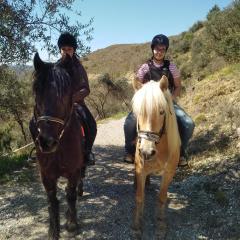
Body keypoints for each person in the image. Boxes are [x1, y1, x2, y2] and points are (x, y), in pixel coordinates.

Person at [123, 34, 195, 166]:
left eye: (162, 49)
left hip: (166, 103)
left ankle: (180, 152)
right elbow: (137, 85)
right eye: (157, 48)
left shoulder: (171, 67)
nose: (159, 52)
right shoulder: (145, 67)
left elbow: (178, 86)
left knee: (188, 123)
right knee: (129, 123)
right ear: (152, 49)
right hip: (147, 104)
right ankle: (129, 151)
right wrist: (142, 100)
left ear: (166, 50)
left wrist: (171, 99)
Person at [57, 32, 97, 166]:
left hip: (76, 104)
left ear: (74, 50)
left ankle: (87, 152)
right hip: (57, 105)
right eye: (64, 49)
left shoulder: (78, 68)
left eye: (69, 49)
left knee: (91, 124)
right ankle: (40, 150)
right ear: (60, 50)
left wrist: (71, 99)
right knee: (36, 122)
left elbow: (86, 89)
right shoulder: (54, 68)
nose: (66, 52)